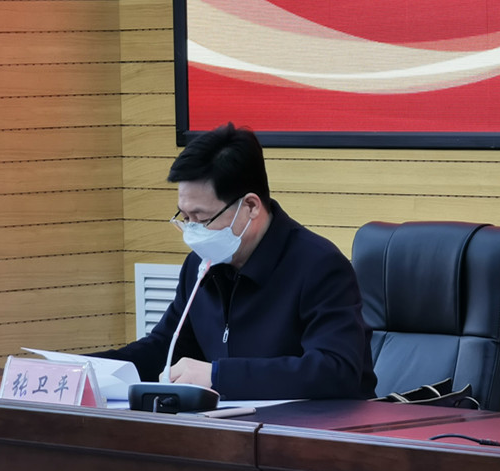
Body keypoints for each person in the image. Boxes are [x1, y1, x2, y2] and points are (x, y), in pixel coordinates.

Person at [91, 123, 377, 400]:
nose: (192, 231)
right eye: (185, 217)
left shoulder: (319, 266)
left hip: (316, 427)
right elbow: (165, 348)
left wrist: (219, 376)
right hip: (230, 424)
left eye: (202, 218)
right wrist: (87, 369)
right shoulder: (199, 266)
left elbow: (335, 370)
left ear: (250, 206)